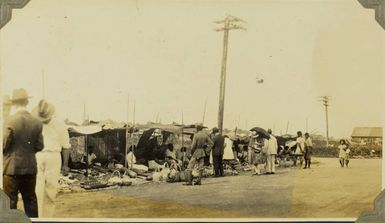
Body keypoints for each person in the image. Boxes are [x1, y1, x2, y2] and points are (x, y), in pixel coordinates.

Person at [3, 88, 44, 217]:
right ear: (27, 102)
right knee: (30, 202)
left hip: (11, 169)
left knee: (9, 204)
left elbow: (3, 145)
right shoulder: (37, 122)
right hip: (30, 168)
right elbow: (40, 146)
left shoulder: (9, 121)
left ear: (14, 103)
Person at [32, 99, 71, 218]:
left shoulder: (59, 124)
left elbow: (66, 146)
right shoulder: (35, 124)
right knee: (37, 190)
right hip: (38, 155)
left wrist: (65, 164)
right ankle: (38, 217)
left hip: (54, 156)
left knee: (51, 190)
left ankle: (47, 218)